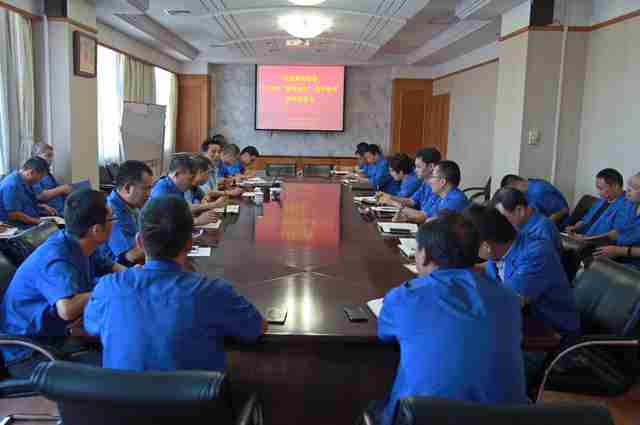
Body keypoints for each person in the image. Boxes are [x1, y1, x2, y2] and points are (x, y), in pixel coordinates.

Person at [84, 196, 267, 371]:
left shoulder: (108, 287)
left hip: (120, 393)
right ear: (189, 243)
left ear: (139, 241)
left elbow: (92, 326)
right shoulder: (214, 291)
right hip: (193, 393)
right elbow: (257, 327)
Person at [376, 213, 527, 425]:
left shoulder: (406, 297)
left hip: (421, 418)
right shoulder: (508, 297)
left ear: (424, 255)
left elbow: (384, 334)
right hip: (505, 419)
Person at [0, 189, 125, 374]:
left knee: (126, 344)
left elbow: (117, 270)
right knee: (119, 369)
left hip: (60, 335)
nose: (115, 223)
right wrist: (109, 286)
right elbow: (67, 309)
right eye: (112, 219)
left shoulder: (83, 244)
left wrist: (138, 278)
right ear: (96, 230)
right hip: (32, 352)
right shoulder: (56, 257)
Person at [464, 205, 579, 336]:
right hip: (523, 322)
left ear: (486, 246)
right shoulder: (502, 246)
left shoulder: (536, 254)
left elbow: (505, 305)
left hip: (554, 333)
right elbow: (487, 268)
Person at [572, 172, 640, 268]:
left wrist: (618, 250)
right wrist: (584, 238)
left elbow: (615, 240)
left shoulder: (626, 205)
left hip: (630, 263)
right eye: (629, 185)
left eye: (634, 187)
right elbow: (615, 234)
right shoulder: (633, 207)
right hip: (615, 252)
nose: (628, 190)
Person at [104, 160, 154, 266]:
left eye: (150, 188)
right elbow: (130, 256)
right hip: (121, 270)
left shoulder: (133, 205)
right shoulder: (111, 213)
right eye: (146, 189)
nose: (149, 194)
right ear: (127, 188)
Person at [149, 155, 220, 226]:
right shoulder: (161, 189)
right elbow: (166, 221)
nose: (192, 183)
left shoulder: (178, 188)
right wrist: (197, 221)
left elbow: (182, 213)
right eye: (190, 179)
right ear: (176, 174)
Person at [566, 168, 636, 237]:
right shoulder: (602, 200)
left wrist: (586, 238)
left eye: (601, 189)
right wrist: (574, 228)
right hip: (580, 236)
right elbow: (585, 220)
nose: (598, 193)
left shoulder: (627, 205)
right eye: (597, 188)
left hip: (594, 241)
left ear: (615, 186)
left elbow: (614, 234)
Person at [394, 160, 469, 224]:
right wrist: (407, 218)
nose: (429, 181)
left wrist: (398, 206)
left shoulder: (456, 199)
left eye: (432, 177)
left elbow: (431, 223)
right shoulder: (440, 196)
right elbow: (426, 216)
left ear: (442, 182)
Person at [491, 187, 561, 252]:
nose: (501, 222)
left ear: (519, 210)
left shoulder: (543, 230)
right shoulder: (520, 224)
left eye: (503, 217)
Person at [378, 148, 441, 212]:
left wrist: (392, 202)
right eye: (415, 167)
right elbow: (411, 201)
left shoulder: (437, 187)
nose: (415, 170)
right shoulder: (425, 183)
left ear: (431, 166)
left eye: (419, 167)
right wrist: (389, 197)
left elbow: (423, 215)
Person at [0, 157, 57, 228]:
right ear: (31, 172)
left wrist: (42, 206)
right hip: (14, 225)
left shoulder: (25, 181)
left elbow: (24, 203)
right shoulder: (12, 185)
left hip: (29, 219)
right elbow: (13, 214)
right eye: (41, 177)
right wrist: (38, 221)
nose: (40, 180)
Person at [501, 175, 569, 225]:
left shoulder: (539, 191)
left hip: (560, 228)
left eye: (511, 191)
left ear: (515, 184)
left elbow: (564, 210)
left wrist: (546, 223)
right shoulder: (527, 191)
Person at [31, 142, 73, 215]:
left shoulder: (48, 174)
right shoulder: (33, 173)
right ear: (36, 156)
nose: (50, 159)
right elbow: (40, 195)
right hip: (52, 213)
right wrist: (62, 189)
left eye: (51, 156)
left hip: (63, 210)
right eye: (48, 156)